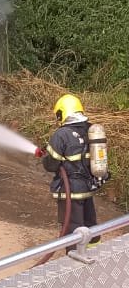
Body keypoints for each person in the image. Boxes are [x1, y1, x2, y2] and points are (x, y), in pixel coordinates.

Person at [41, 94, 104, 246]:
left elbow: (51, 164)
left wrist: (45, 156)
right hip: (88, 188)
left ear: (62, 113)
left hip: (70, 191)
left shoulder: (62, 134)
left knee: (72, 231)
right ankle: (94, 256)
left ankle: (75, 262)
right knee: (90, 225)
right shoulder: (91, 130)